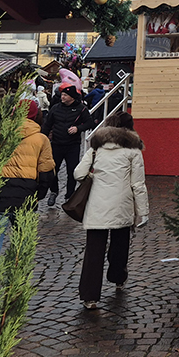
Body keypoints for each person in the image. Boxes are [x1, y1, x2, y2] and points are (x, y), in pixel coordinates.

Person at [73, 111, 147, 310]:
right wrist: (143, 212)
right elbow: (138, 185)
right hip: (122, 206)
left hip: (97, 207)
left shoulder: (96, 149)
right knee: (119, 246)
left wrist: (93, 177)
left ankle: (89, 296)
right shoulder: (134, 151)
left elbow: (78, 173)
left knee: (93, 252)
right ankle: (118, 277)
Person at [0, 103, 56, 255]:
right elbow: (46, 171)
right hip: (26, 193)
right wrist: (39, 195)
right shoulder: (41, 139)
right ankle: (18, 277)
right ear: (36, 115)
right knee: (22, 245)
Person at [41, 85, 93, 206]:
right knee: (52, 170)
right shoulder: (55, 108)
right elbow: (47, 125)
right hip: (57, 144)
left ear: (72, 97)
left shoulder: (81, 109)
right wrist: (43, 139)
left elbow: (89, 122)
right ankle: (54, 191)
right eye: (62, 95)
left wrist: (78, 128)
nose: (62, 97)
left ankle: (70, 195)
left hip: (72, 145)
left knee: (72, 171)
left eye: (65, 95)